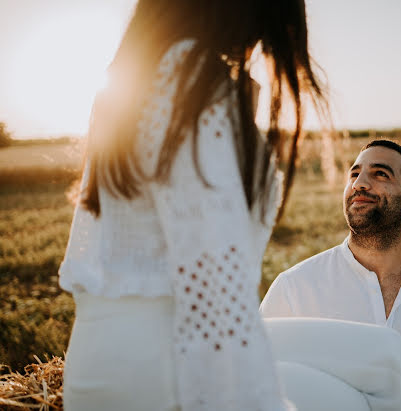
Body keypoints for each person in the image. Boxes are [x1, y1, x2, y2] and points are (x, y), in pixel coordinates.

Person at [59, 1, 328, 409]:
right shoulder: (194, 82)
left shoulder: (134, 78)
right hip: (168, 364)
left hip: (94, 362)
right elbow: (215, 292)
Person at [260, 140, 401, 410]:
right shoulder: (293, 288)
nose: (359, 184)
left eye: (380, 174)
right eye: (354, 174)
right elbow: (255, 384)